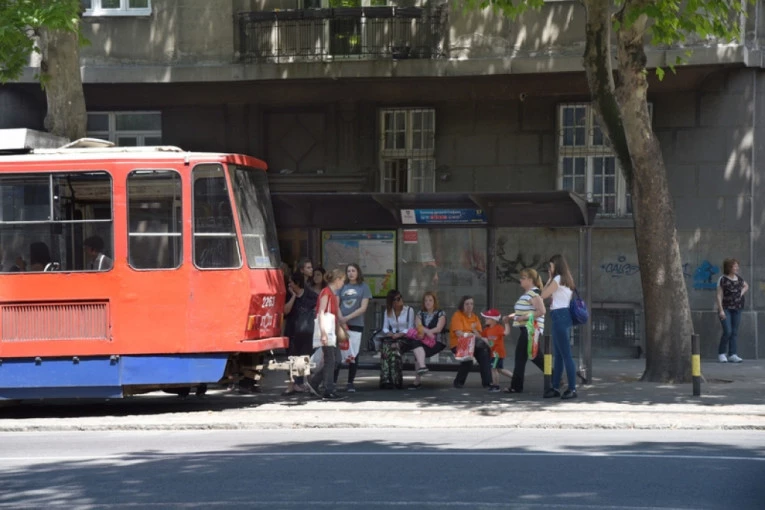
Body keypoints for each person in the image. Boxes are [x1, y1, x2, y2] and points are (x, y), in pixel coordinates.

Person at [305, 268, 347, 400]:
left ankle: (315, 383)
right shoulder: (327, 292)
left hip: (331, 331)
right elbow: (321, 313)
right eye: (342, 280)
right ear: (337, 280)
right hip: (328, 331)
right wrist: (323, 333)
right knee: (331, 360)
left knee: (335, 360)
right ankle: (328, 390)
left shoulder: (330, 293)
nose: (343, 283)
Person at [540, 254, 577, 399]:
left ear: (556, 265)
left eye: (550, 265)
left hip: (559, 316)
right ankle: (555, 386)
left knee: (565, 355)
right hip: (563, 315)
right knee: (559, 355)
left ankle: (572, 388)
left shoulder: (557, 279)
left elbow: (543, 295)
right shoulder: (567, 279)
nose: (549, 268)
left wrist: (549, 278)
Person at [506, 268, 546, 393]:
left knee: (524, 357)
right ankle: (555, 377)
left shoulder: (533, 294)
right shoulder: (528, 294)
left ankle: (516, 386)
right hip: (527, 329)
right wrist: (514, 316)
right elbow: (527, 311)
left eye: (523, 278)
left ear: (530, 280)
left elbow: (541, 311)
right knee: (533, 356)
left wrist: (523, 317)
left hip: (531, 329)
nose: (520, 280)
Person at [335, 263, 372, 393]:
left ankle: (350, 382)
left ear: (358, 272)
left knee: (353, 354)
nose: (351, 273)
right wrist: (341, 319)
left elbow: (363, 308)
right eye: (349, 271)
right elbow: (336, 303)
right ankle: (333, 381)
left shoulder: (364, 287)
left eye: (353, 270)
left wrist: (347, 318)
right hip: (340, 323)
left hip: (356, 323)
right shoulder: (342, 286)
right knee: (338, 352)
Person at [403, 291, 446, 390]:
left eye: (430, 300)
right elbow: (419, 327)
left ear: (434, 302)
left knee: (417, 349)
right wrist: (428, 332)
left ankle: (417, 380)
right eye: (426, 300)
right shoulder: (420, 313)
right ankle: (422, 368)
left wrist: (427, 331)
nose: (428, 302)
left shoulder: (441, 313)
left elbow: (439, 328)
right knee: (415, 344)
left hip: (437, 341)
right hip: (423, 340)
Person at [449, 295, 493, 389]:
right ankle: (458, 382)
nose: (469, 306)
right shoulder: (457, 315)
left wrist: (473, 332)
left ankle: (488, 383)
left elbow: (479, 334)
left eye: (471, 304)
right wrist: (471, 334)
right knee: (468, 359)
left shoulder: (475, 317)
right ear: (462, 305)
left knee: (484, 353)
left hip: (474, 344)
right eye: (467, 304)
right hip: (459, 344)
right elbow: (459, 333)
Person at [283, 272, 315, 395]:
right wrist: (293, 296)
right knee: (292, 359)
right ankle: (292, 384)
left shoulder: (311, 296)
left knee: (303, 358)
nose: (289, 285)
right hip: (292, 331)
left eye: (291, 282)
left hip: (306, 331)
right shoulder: (288, 295)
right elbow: (285, 311)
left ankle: (303, 383)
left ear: (297, 283)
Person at [716, 258, 748, 363]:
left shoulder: (739, 279)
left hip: (737, 308)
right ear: (729, 267)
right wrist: (721, 310)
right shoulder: (722, 279)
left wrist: (741, 293)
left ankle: (732, 354)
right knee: (728, 331)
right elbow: (719, 295)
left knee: (734, 332)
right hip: (725, 308)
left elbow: (746, 285)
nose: (737, 268)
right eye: (735, 266)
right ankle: (721, 353)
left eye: (737, 266)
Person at [478, 308, 512, 392]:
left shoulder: (498, 328)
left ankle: (496, 386)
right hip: (494, 353)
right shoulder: (487, 329)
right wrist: (473, 330)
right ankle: (516, 378)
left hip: (497, 353)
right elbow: (480, 336)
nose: (485, 319)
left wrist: (506, 323)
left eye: (487, 318)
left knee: (493, 369)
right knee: (499, 369)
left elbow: (506, 333)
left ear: (493, 320)